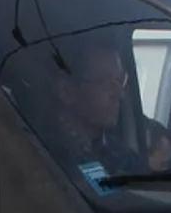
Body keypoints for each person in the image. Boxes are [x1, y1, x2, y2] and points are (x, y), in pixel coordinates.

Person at [46, 43, 147, 182]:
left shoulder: (122, 156)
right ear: (66, 90)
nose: (119, 94)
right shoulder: (44, 152)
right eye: (106, 82)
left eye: (120, 80)